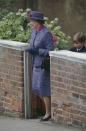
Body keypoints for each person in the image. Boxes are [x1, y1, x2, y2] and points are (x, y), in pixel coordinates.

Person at [26, 11, 54, 121]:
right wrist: (31, 49)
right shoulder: (34, 31)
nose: (31, 23)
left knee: (43, 89)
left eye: (32, 21)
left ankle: (48, 113)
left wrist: (38, 51)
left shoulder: (46, 33)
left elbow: (50, 50)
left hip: (43, 65)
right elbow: (31, 43)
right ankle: (47, 110)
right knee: (37, 88)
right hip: (35, 63)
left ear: (38, 22)